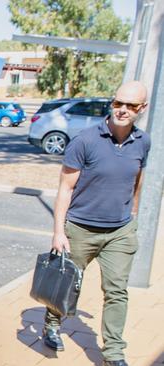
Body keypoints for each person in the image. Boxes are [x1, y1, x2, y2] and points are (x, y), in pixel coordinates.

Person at [43, 81, 150, 366]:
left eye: (130, 106)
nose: (123, 110)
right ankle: (52, 323)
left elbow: (137, 178)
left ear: (142, 109)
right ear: (112, 103)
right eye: (118, 103)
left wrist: (134, 214)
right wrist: (58, 232)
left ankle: (113, 353)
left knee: (117, 292)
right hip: (80, 229)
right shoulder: (86, 140)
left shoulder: (143, 141)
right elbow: (65, 189)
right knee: (67, 285)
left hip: (120, 232)